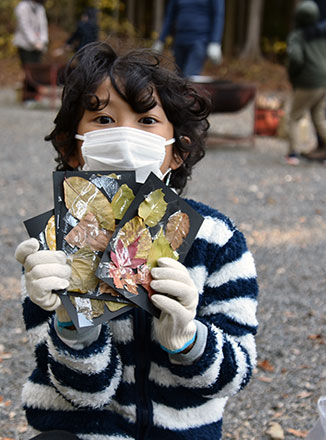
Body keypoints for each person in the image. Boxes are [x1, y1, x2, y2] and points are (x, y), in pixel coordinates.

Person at [14, 42, 258, 439]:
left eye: (146, 121)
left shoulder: (217, 242)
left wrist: (187, 338)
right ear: (72, 147)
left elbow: (237, 374)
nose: (126, 136)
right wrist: (72, 321)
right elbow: (82, 393)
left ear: (178, 150)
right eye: (104, 119)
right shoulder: (54, 250)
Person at [284, 0, 326, 167]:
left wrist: (294, 77)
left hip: (309, 84)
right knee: (320, 115)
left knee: (293, 116)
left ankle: (293, 153)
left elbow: (296, 59)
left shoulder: (300, 36)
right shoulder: (324, 37)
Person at [152, 0, 224, 78]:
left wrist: (215, 42)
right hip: (179, 40)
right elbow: (170, 16)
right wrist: (161, 40)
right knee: (178, 78)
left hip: (200, 41)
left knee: (190, 78)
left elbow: (218, 16)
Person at [13, 0, 48, 105]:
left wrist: (42, 41)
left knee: (36, 72)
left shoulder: (40, 8)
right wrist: (33, 41)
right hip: (25, 44)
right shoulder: (23, 7)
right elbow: (24, 26)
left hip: (38, 46)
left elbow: (43, 26)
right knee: (28, 70)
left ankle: (34, 96)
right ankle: (27, 97)